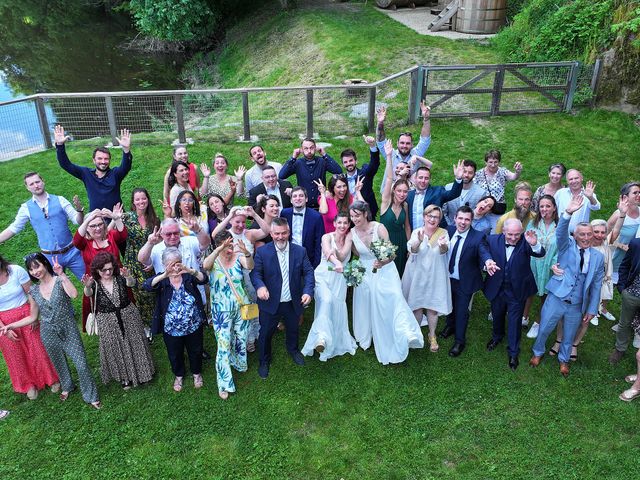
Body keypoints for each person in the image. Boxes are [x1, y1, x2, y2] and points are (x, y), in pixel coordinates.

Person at [5, 254, 100, 408]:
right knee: (59, 362)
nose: (35, 271)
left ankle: (91, 395)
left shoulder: (59, 281)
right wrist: (12, 325)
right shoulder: (33, 291)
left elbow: (74, 294)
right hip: (48, 332)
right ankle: (67, 386)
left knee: (81, 363)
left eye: (37, 266)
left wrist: (62, 274)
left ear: (45, 264)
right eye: (31, 269)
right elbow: (32, 317)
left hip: (68, 328)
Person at [530, 195, 603, 376]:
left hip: (577, 303)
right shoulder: (566, 245)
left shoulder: (598, 257)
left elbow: (596, 284)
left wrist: (592, 308)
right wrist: (568, 212)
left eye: (589, 234)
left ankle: (564, 360)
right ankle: (537, 352)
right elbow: (561, 231)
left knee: (569, 334)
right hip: (557, 297)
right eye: (582, 235)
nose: (586, 238)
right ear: (575, 236)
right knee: (545, 327)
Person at [349, 201, 424, 365]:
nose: (354, 219)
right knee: (367, 301)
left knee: (394, 297)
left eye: (357, 215)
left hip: (386, 268)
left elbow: (392, 255)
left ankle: (405, 331)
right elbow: (356, 254)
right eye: (352, 216)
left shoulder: (378, 228)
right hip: (365, 271)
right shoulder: (352, 233)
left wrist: (382, 262)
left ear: (365, 214)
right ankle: (368, 334)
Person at [250, 217, 315, 379]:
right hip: (270, 302)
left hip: (293, 301)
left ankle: (293, 350)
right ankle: (264, 360)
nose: (280, 237)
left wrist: (308, 291)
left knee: (293, 329)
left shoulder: (300, 251)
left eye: (284, 233)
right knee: (265, 333)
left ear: (289, 232)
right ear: (271, 234)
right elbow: (256, 273)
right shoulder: (263, 252)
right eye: (277, 234)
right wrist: (260, 286)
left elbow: (308, 273)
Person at [82, 252, 155, 388]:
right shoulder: (95, 283)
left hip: (128, 315)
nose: (108, 272)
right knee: (115, 347)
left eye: (110, 268)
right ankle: (124, 377)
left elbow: (131, 284)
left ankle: (143, 374)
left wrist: (128, 276)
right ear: (97, 270)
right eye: (104, 270)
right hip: (107, 320)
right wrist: (87, 286)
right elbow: (89, 295)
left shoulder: (119, 277)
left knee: (135, 343)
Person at [0, 171, 85, 280]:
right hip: (49, 257)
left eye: (37, 182)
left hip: (72, 252)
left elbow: (78, 221)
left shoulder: (60, 199)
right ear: (27, 187)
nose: (36, 185)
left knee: (91, 282)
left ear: (43, 181)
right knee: (57, 293)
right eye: (31, 184)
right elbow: (14, 228)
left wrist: (79, 212)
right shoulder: (26, 208)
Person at [143, 247, 207, 392]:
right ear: (165, 264)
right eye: (172, 264)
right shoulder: (162, 279)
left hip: (193, 325)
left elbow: (204, 279)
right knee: (174, 353)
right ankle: (179, 375)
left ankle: (196, 373)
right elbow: (146, 286)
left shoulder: (188, 276)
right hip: (171, 328)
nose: (176, 266)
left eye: (178, 262)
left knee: (196, 350)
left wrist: (190, 270)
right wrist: (165, 274)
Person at [484, 218, 545, 370]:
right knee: (497, 314)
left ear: (522, 233)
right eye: (510, 234)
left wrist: (535, 244)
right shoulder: (492, 240)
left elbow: (540, 253)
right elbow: (482, 251)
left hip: (516, 290)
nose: (513, 238)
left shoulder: (526, 241)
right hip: (497, 287)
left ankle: (513, 352)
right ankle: (497, 337)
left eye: (517, 234)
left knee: (514, 320)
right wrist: (486, 262)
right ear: (503, 231)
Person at [0, 255, 59, 400]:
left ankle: (52, 378)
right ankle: (29, 385)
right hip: (3, 322)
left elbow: (32, 294)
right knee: (15, 355)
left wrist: (34, 315)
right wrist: (3, 329)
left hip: (26, 314)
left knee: (38, 348)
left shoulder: (15, 271)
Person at [203, 231, 254, 399]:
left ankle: (239, 364)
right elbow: (205, 266)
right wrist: (219, 250)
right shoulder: (213, 260)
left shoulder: (238, 256)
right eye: (226, 245)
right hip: (221, 311)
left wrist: (245, 252)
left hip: (241, 306)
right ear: (218, 245)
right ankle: (224, 382)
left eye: (230, 245)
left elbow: (250, 266)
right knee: (223, 346)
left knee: (241, 337)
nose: (229, 248)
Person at [302, 213, 357, 361]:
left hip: (339, 280)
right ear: (334, 223)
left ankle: (334, 338)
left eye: (346, 223)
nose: (342, 226)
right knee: (326, 300)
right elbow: (327, 252)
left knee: (336, 306)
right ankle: (321, 338)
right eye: (339, 223)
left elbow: (344, 253)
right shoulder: (326, 237)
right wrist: (336, 261)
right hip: (323, 276)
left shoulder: (349, 238)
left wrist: (338, 255)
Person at [439, 206, 493, 357]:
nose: (463, 222)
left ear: (471, 220)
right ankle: (450, 326)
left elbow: (483, 251)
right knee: (450, 305)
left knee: (462, 311)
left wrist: (488, 261)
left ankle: (459, 341)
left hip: (465, 281)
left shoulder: (478, 237)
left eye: (467, 219)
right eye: (460, 218)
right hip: (448, 278)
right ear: (455, 218)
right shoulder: (448, 231)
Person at [402, 205, 451, 353]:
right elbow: (412, 250)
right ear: (424, 217)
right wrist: (418, 240)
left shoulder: (443, 233)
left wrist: (443, 246)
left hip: (435, 275)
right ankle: (416, 334)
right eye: (429, 216)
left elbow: (444, 251)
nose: (432, 219)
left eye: (436, 217)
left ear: (439, 219)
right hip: (417, 274)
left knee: (432, 307)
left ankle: (432, 335)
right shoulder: (417, 232)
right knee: (416, 305)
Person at [54, 125, 132, 211]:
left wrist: (126, 150)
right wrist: (60, 145)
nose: (103, 161)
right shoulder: (86, 174)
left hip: (116, 218)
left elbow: (126, 166)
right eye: (100, 158)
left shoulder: (116, 174)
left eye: (106, 159)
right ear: (94, 160)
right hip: (96, 220)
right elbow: (66, 164)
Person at [74, 206, 127, 330]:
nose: (97, 228)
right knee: (106, 322)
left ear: (104, 225)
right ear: (87, 227)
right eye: (93, 226)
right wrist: (88, 219)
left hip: (117, 281)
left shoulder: (112, 236)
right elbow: (76, 240)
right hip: (97, 286)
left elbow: (123, 234)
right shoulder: (85, 243)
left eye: (100, 224)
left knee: (124, 315)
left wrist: (115, 217)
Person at [122, 188, 160, 339]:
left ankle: (155, 321)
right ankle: (145, 326)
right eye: (137, 199)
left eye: (143, 199)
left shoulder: (154, 219)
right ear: (133, 202)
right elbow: (110, 231)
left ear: (148, 199)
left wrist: (153, 262)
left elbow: (158, 242)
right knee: (139, 293)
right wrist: (115, 218)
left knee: (151, 291)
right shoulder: (127, 217)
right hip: (132, 260)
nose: (141, 202)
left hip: (148, 259)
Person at [524, 194, 559, 339]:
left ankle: (538, 323)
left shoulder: (561, 226)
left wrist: (555, 263)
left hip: (550, 266)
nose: (544, 209)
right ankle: (524, 317)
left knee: (545, 296)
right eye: (542, 206)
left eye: (548, 206)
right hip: (533, 263)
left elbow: (563, 248)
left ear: (554, 208)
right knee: (528, 293)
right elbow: (525, 244)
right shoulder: (533, 223)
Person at [376, 102, 432, 190]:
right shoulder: (390, 153)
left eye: (408, 143)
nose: (404, 146)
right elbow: (380, 140)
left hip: (410, 194)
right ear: (397, 143)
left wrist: (426, 119)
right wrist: (380, 123)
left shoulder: (416, 153)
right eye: (402, 143)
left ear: (412, 144)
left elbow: (425, 139)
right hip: (390, 194)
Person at [278, 138, 343, 210]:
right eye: (306, 148)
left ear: (315, 148)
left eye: (311, 148)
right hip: (304, 206)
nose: (309, 151)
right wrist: (293, 158)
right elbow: (281, 175)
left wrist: (324, 154)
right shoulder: (298, 163)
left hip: (321, 204)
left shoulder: (322, 161)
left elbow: (338, 171)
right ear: (301, 150)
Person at [379, 140, 411, 276]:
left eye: (405, 191)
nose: (402, 194)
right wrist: (389, 156)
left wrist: (409, 246)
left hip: (401, 242)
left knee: (400, 274)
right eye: (399, 191)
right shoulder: (386, 202)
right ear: (394, 191)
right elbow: (388, 178)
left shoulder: (405, 205)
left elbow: (407, 227)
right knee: (386, 275)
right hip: (386, 242)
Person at [406, 160, 464, 231]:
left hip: (435, 235)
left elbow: (453, 194)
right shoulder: (408, 195)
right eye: (420, 177)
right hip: (414, 235)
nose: (423, 181)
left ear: (430, 179)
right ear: (415, 178)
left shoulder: (437, 191)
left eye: (426, 178)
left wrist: (458, 179)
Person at [610, 236, 640, 365]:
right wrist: (622, 287)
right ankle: (620, 349)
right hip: (632, 293)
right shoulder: (636, 243)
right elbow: (625, 265)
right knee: (624, 323)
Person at [474, 149, 523, 226]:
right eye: (490, 162)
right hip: (483, 208)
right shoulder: (478, 174)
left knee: (496, 230)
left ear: (499, 162)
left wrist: (517, 172)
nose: (493, 165)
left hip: (497, 209)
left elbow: (514, 177)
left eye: (495, 162)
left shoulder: (502, 172)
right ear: (485, 162)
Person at [281, 187, 325, 268]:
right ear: (291, 200)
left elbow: (319, 242)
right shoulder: (284, 214)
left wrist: (316, 265)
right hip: (288, 257)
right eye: (294, 196)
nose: (298, 198)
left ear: (306, 199)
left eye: (301, 196)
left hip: (308, 258)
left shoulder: (316, 217)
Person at [340, 136, 381, 219]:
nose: (348, 164)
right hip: (349, 215)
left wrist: (372, 146)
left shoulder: (365, 173)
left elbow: (374, 164)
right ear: (343, 164)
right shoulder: (341, 180)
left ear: (356, 161)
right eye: (345, 162)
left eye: (351, 160)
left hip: (367, 213)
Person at [608, 182, 640, 286]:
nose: (639, 195)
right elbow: (604, 237)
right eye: (635, 193)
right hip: (617, 260)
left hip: (635, 260)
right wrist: (621, 245)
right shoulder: (618, 215)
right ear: (625, 197)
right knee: (607, 294)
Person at [442, 160, 487, 225]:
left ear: (474, 174)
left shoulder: (481, 193)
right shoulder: (448, 187)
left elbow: (479, 215)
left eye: (470, 173)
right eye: (464, 172)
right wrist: (449, 226)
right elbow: (444, 211)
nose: (466, 175)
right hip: (449, 226)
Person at [588, 219, 614, 326]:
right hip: (592, 277)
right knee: (592, 294)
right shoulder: (587, 246)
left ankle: (603, 309)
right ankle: (593, 312)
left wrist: (621, 215)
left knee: (605, 293)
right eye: (596, 232)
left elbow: (614, 228)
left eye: (603, 232)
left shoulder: (605, 243)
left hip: (604, 275)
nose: (599, 235)